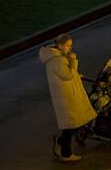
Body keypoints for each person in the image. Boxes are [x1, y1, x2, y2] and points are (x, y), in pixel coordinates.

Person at [39, 33, 96, 163]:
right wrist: (73, 61)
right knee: (73, 123)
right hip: (67, 96)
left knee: (71, 123)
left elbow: (67, 73)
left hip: (67, 94)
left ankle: (62, 144)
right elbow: (67, 75)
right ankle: (66, 153)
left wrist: (76, 73)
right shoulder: (56, 60)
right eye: (68, 45)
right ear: (60, 45)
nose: (70, 48)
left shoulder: (57, 57)